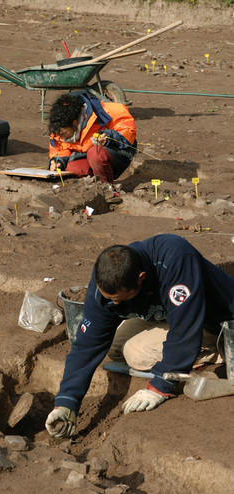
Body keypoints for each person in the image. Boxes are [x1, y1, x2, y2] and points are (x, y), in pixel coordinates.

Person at [45, 234, 234, 438]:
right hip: (170, 314)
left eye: (120, 299)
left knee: (135, 352)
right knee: (114, 346)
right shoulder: (107, 275)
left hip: (214, 320)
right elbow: (87, 344)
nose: (113, 304)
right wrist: (66, 401)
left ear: (141, 278)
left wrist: (160, 385)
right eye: (109, 299)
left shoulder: (176, 259)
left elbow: (185, 329)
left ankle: (219, 349)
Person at [48, 91, 137, 184]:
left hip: (119, 153)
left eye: (64, 133)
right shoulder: (58, 128)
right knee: (73, 169)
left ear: (74, 122)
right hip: (89, 157)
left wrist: (108, 137)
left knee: (95, 153)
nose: (62, 137)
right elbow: (59, 150)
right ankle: (94, 186)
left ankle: (107, 187)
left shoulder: (103, 111)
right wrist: (58, 161)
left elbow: (128, 131)